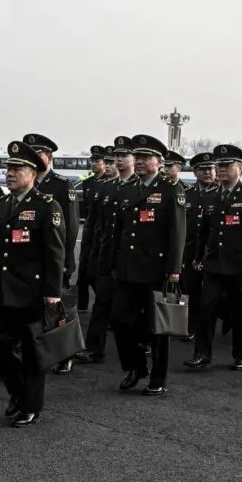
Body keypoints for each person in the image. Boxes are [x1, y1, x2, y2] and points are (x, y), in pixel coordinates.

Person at [0, 140, 66, 427]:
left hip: (32, 290)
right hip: (2, 287)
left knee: (32, 352)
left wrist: (53, 292)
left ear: (33, 174)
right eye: (8, 168)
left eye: (17, 169)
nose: (10, 173)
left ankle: (31, 406)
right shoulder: (1, 204)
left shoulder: (46, 206)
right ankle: (18, 391)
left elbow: (55, 253)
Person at [111, 135, 185, 392]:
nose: (140, 161)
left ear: (159, 162)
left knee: (158, 327)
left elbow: (177, 233)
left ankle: (158, 378)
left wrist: (174, 269)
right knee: (120, 320)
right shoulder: (128, 188)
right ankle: (135, 366)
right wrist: (112, 262)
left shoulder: (170, 189)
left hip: (156, 269)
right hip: (128, 267)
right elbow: (119, 230)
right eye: (138, 157)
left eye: (146, 157)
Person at [191, 144, 242, 370]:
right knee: (206, 309)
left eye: (227, 165)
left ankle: (240, 354)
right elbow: (203, 231)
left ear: (240, 168)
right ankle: (202, 354)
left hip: (240, 263)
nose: (221, 169)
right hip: (214, 263)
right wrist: (198, 257)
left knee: (241, 313)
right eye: (219, 165)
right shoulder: (210, 195)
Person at [75, 139, 136, 365]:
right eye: (115, 157)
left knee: (130, 309)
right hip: (106, 255)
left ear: (134, 159)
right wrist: (91, 253)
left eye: (123, 156)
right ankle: (94, 349)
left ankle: (139, 346)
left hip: (131, 258)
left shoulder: (141, 188)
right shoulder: (106, 187)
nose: (118, 161)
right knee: (101, 303)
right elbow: (94, 224)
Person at [23, 133, 79, 374]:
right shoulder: (27, 182)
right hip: (30, 260)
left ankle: (66, 353)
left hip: (55, 258)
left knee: (59, 309)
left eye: (39, 155)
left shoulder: (62, 185)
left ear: (49, 157)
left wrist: (64, 261)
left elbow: (71, 227)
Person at [182, 152, 217, 364]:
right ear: (195, 172)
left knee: (212, 296)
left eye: (210, 169)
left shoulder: (219, 193)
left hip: (212, 252)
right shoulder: (187, 194)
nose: (207, 173)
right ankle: (192, 326)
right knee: (191, 290)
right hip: (190, 251)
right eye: (202, 169)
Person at [75, 145, 107, 312]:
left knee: (94, 271)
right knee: (82, 271)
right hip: (89, 230)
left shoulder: (108, 182)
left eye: (97, 161)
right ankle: (81, 306)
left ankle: (102, 303)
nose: (94, 164)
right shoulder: (87, 181)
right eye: (92, 161)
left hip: (101, 232)